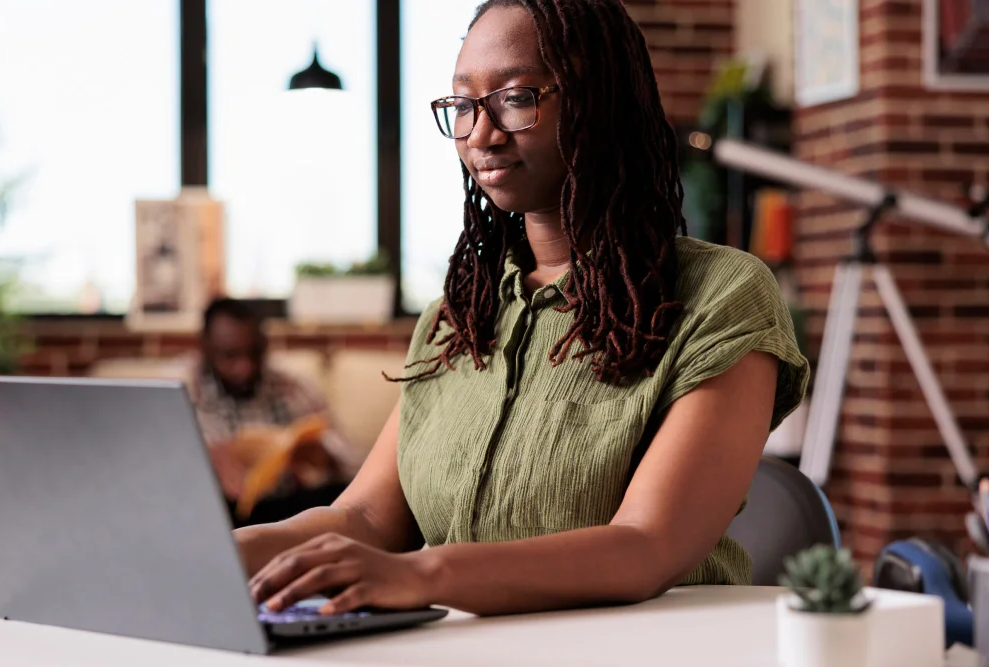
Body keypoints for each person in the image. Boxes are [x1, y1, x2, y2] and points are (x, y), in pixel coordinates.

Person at [234, 0, 810, 618]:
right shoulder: (455, 319)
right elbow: (368, 517)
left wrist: (423, 575)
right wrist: (216, 550)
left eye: (514, 96)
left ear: (600, 101)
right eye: (462, 105)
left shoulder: (719, 295)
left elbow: (646, 546)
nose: (480, 132)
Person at [190, 298, 359, 526]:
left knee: (344, 497)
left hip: (286, 507)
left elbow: (354, 468)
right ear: (206, 348)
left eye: (254, 353)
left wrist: (325, 458)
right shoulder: (186, 388)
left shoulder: (294, 387)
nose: (245, 368)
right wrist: (209, 460)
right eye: (230, 356)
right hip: (221, 511)